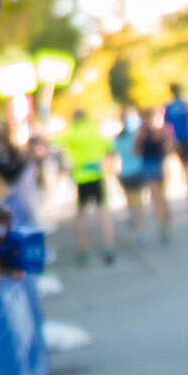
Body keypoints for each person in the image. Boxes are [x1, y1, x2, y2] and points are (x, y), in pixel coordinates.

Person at [60, 107, 116, 266]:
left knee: (80, 215)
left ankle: (84, 251)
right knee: (103, 211)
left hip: (82, 178)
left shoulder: (73, 133)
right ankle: (109, 247)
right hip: (97, 176)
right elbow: (110, 147)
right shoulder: (95, 132)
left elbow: (54, 142)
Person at [162, 84, 188, 220]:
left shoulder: (168, 108)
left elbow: (167, 127)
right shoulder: (187, 105)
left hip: (179, 141)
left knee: (186, 170)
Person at [137, 107, 174, 242]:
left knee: (160, 195)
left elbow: (169, 145)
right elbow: (136, 149)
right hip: (149, 164)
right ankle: (163, 221)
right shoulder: (142, 132)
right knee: (156, 195)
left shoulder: (161, 130)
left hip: (158, 163)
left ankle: (165, 220)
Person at [113, 106, 149, 245]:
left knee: (130, 198)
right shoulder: (134, 136)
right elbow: (138, 152)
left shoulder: (118, 139)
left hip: (125, 172)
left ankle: (132, 214)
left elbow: (115, 157)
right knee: (138, 201)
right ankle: (142, 231)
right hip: (136, 170)